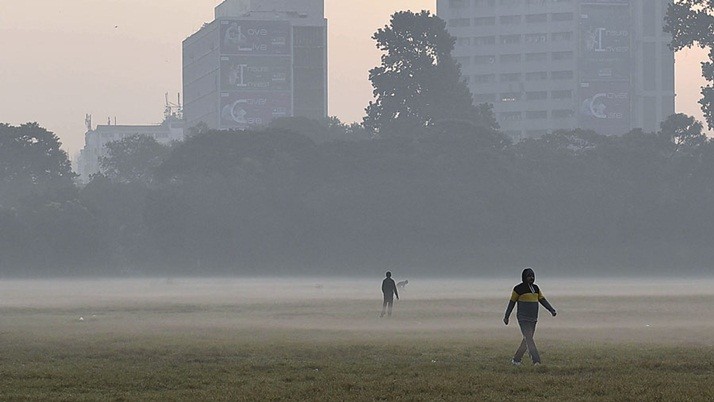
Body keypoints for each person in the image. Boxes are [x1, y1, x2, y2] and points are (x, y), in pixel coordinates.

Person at [503, 267, 556, 365]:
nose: (531, 278)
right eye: (529, 276)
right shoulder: (518, 289)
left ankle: (516, 359)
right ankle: (536, 361)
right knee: (529, 338)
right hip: (523, 318)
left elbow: (542, 300)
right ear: (524, 277)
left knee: (527, 338)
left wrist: (551, 310)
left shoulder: (536, 288)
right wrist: (507, 316)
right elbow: (511, 303)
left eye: (532, 276)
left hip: (533, 318)